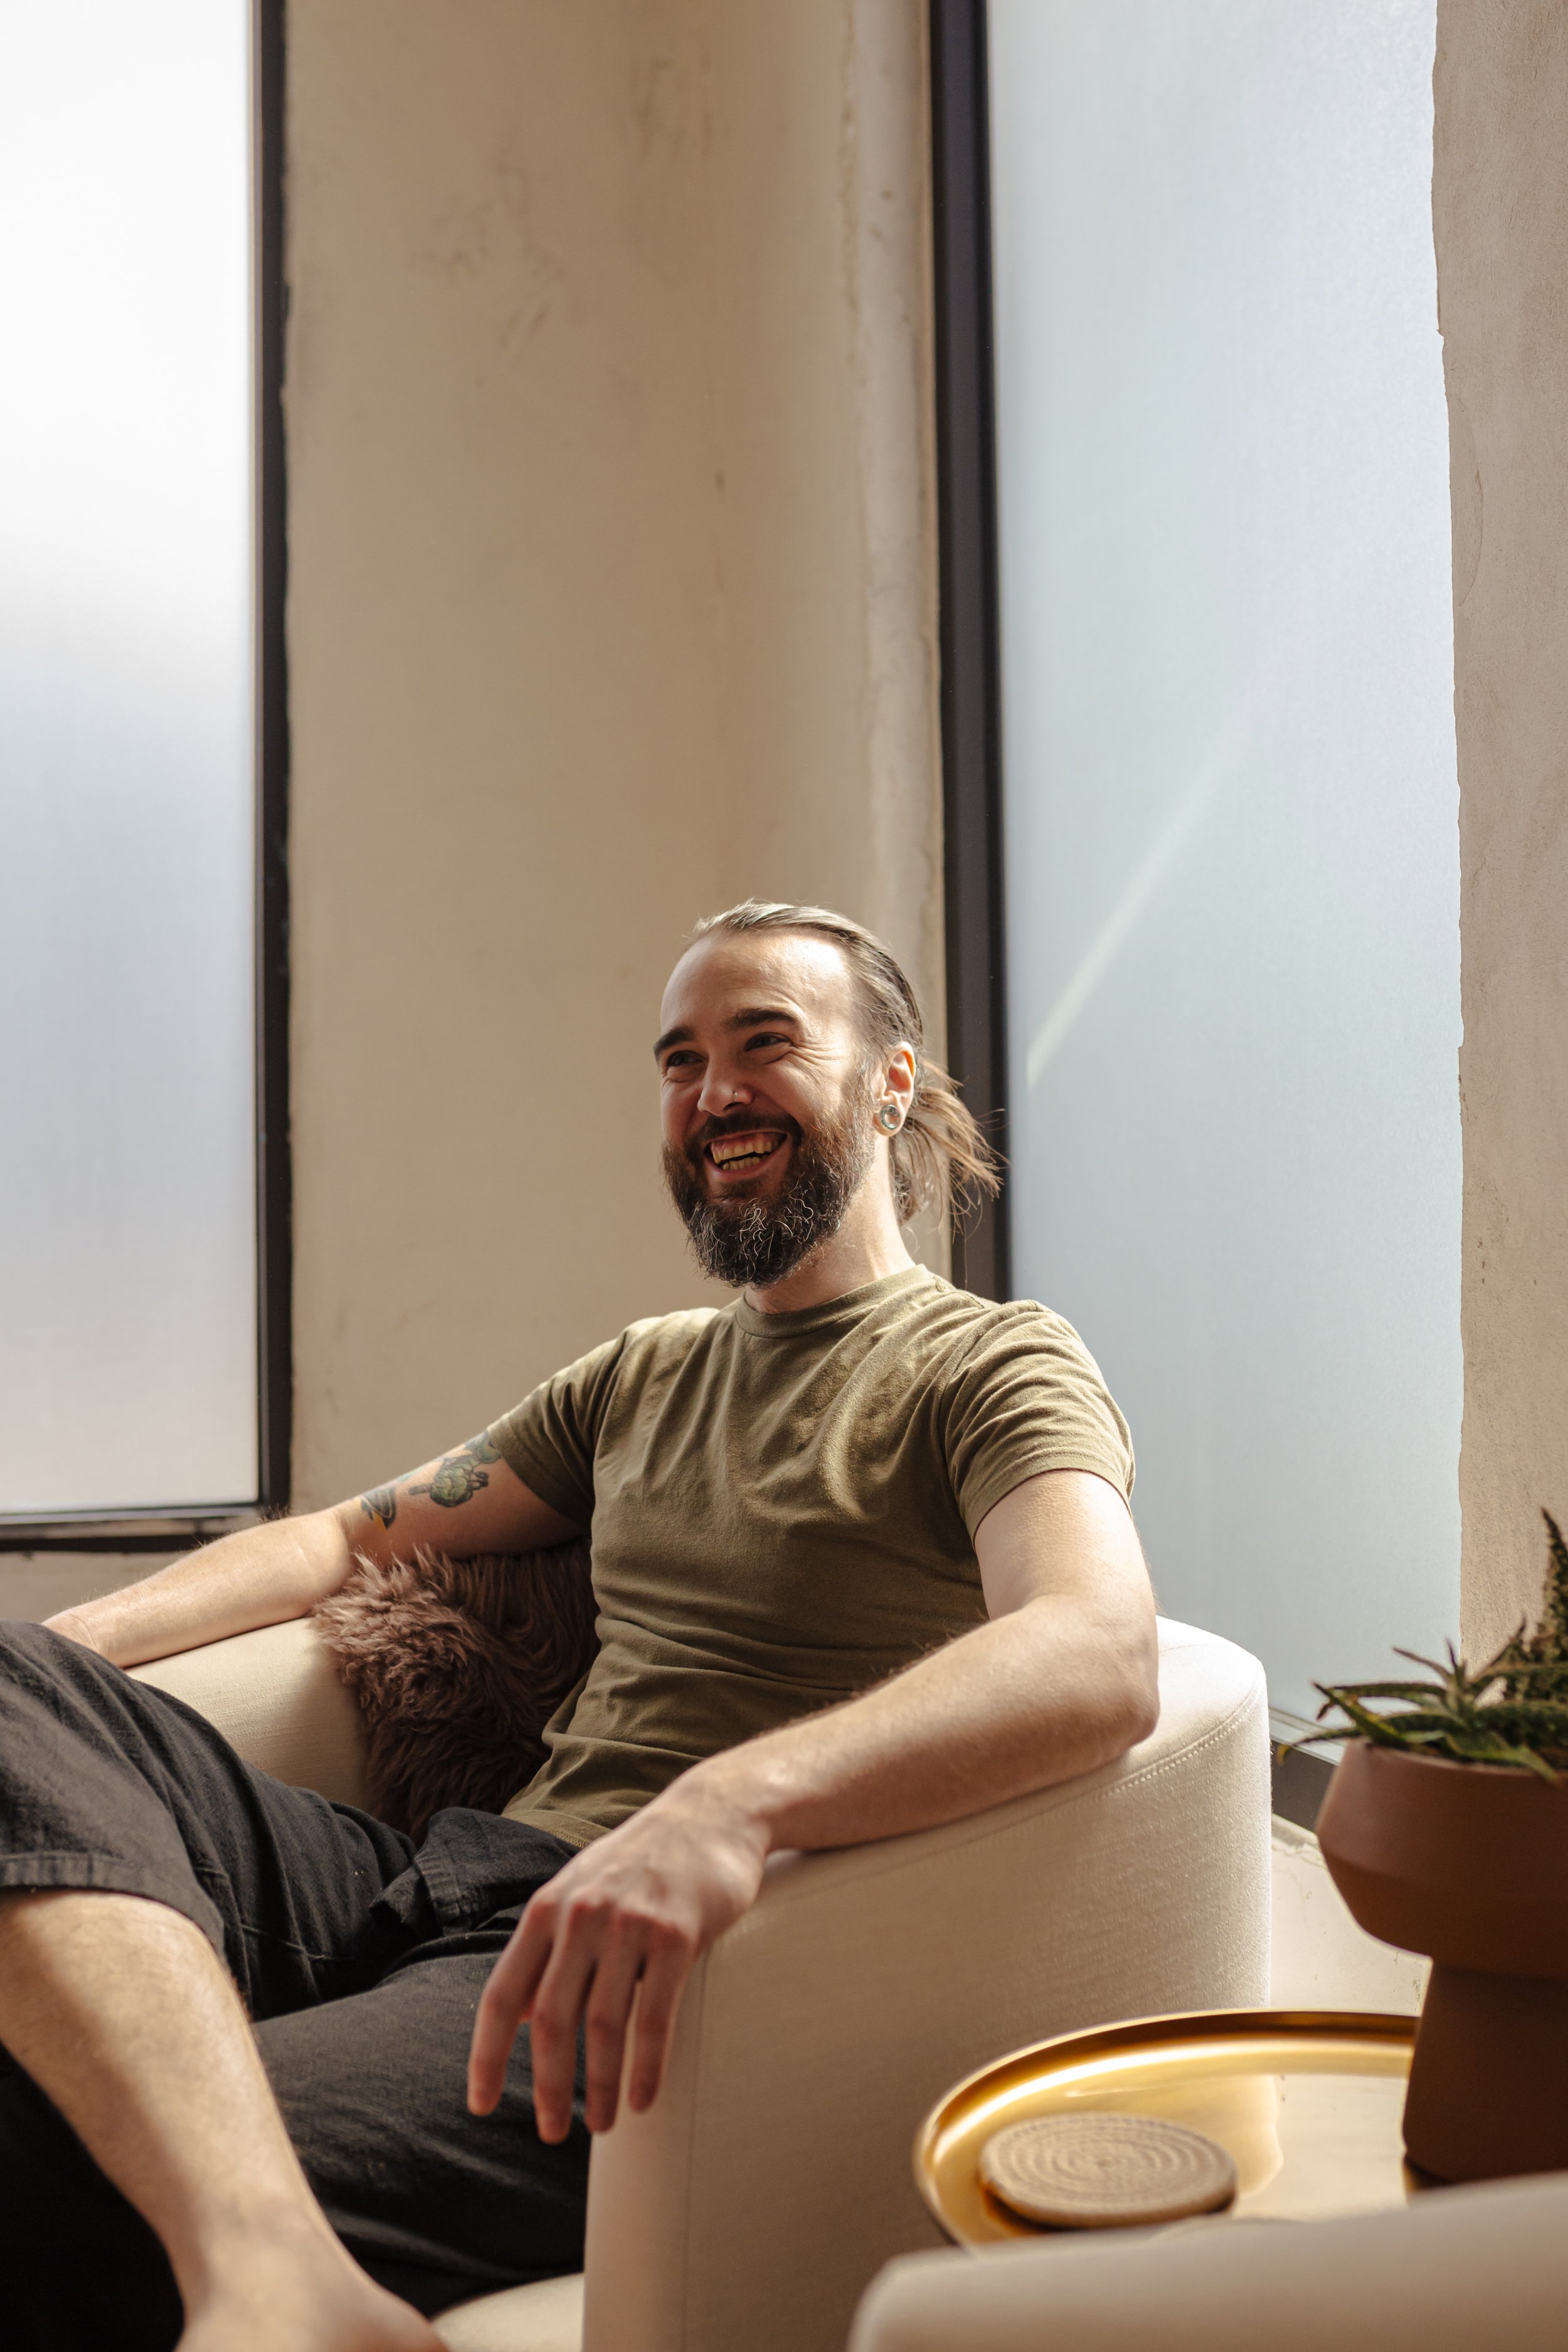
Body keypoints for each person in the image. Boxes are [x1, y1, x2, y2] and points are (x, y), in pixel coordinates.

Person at [0, 900, 1158, 2352]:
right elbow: (341, 1539)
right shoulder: (641, 1373)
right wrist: (51, 1697)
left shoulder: (989, 1360)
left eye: (763, 1044)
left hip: (650, 1975)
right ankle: (274, 2261)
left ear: (889, 1082)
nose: (713, 1093)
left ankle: (269, 2273)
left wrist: (726, 1806)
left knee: (55, 2165)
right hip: (450, 1879)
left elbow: (1095, 1649)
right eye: (680, 1060)